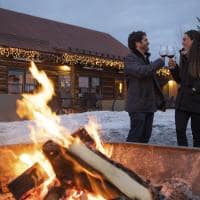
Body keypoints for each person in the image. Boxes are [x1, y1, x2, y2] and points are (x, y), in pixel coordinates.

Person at [124, 31, 165, 143]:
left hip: (148, 106)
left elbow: (152, 80)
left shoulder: (145, 60)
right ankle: (127, 160)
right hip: (137, 106)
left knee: (145, 138)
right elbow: (142, 72)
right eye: (145, 40)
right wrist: (159, 62)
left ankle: (139, 160)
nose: (148, 42)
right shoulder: (130, 58)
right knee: (135, 138)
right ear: (137, 43)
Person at [168, 30, 200, 147]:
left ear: (193, 40)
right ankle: (184, 156)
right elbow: (180, 80)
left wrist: (194, 90)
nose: (182, 42)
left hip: (197, 103)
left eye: (185, 39)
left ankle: (197, 161)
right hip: (182, 102)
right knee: (180, 131)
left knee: (197, 135)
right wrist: (174, 69)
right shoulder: (183, 56)